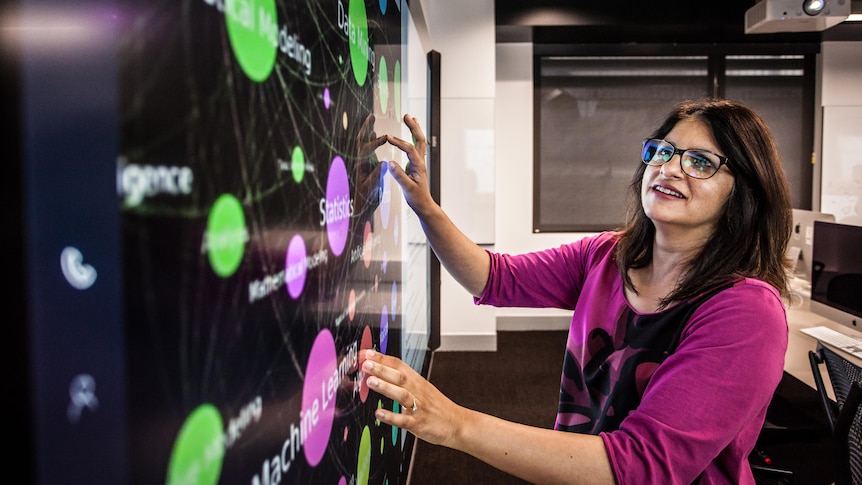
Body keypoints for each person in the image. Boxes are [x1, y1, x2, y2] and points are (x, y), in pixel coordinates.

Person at [361, 98, 794, 484]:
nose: (669, 167)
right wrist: (424, 205)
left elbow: (642, 467)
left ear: (745, 192)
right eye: (662, 151)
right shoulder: (607, 255)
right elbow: (494, 278)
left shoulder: (746, 312)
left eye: (700, 162)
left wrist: (456, 424)